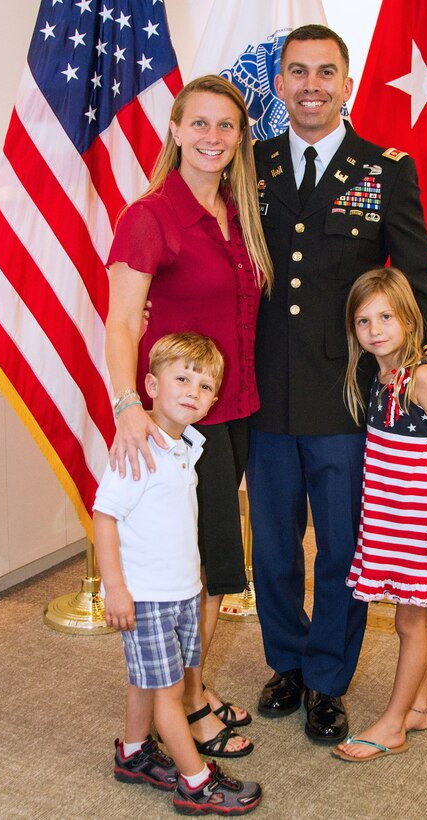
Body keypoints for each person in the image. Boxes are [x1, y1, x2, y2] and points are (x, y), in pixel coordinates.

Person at [247, 24, 427, 744]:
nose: (311, 85)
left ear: (347, 83)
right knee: (274, 547)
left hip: (346, 398)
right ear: (280, 85)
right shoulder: (254, 164)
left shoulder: (385, 168)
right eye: (298, 73)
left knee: (343, 548)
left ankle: (328, 678)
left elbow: (422, 272)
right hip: (267, 393)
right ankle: (286, 663)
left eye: (326, 73)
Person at [105, 75, 273, 758]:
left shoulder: (241, 210)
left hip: (233, 413)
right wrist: (127, 408)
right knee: (191, 570)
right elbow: (120, 323)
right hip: (177, 427)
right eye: (198, 123)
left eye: (225, 126)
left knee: (213, 565)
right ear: (175, 131)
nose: (212, 137)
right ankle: (189, 705)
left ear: (239, 139)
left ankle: (191, 691)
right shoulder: (149, 216)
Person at [93, 333, 262, 813]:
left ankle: (132, 752)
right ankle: (195, 781)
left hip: (182, 592)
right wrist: (117, 589)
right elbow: (104, 517)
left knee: (146, 682)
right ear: (150, 383)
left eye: (206, 386)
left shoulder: (186, 442)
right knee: (169, 694)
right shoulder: (138, 448)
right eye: (182, 378)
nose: (193, 391)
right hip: (146, 596)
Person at [331, 267, 427, 761]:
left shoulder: (425, 378)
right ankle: (418, 706)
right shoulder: (380, 374)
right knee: (414, 617)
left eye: (385, 317)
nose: (374, 329)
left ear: (409, 318)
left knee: (409, 623)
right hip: (391, 518)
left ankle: (392, 723)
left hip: (421, 523)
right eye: (363, 321)